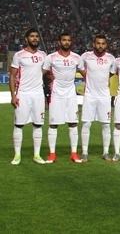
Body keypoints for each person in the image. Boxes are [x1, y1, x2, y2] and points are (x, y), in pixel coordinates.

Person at [43, 32, 83, 163]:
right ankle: (52, 154)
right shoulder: (51, 57)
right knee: (53, 124)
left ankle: (74, 153)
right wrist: (48, 80)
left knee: (73, 123)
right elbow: (42, 73)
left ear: (71, 42)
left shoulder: (77, 57)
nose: (66, 42)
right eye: (64, 40)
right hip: (56, 94)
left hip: (71, 94)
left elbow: (86, 74)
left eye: (68, 40)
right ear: (59, 42)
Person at [10, 28, 48, 165]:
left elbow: (45, 71)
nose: (35, 39)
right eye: (32, 36)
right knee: (19, 125)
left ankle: (37, 155)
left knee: (38, 124)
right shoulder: (19, 55)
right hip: (23, 94)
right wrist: (13, 96)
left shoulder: (43, 55)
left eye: (37, 36)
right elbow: (12, 76)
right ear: (26, 39)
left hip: (38, 94)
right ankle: (17, 155)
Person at [79, 34, 116, 161]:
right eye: (98, 43)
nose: (100, 45)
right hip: (90, 95)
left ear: (106, 45)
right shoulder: (85, 56)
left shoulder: (111, 58)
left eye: (103, 43)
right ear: (94, 44)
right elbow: (80, 67)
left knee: (106, 124)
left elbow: (112, 72)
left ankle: (105, 152)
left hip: (104, 96)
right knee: (86, 123)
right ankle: (84, 152)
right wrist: (86, 75)